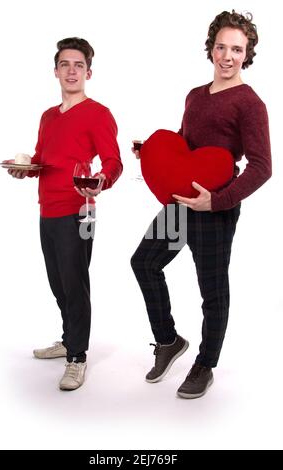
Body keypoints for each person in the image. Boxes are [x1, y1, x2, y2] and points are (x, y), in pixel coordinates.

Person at [131, 10, 271, 399]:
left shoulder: (250, 103)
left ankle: (205, 364)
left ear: (247, 54)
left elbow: (262, 167)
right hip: (180, 202)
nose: (228, 56)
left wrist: (218, 200)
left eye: (237, 49)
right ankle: (168, 341)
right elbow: (184, 141)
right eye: (221, 46)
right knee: (143, 262)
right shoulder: (194, 95)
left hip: (216, 208)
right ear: (211, 48)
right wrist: (155, 152)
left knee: (212, 290)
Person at [8, 37, 123, 391]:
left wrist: (101, 182)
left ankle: (77, 357)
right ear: (55, 71)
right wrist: (23, 169)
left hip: (80, 212)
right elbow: (42, 159)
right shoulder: (47, 116)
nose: (71, 71)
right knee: (58, 282)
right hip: (48, 209)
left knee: (75, 284)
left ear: (88, 72)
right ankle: (68, 339)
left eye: (78, 65)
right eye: (64, 65)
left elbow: (113, 162)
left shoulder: (98, 113)